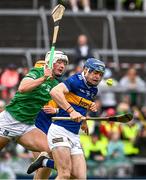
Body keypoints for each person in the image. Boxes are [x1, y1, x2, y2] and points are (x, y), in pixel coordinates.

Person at [27, 58, 106, 179]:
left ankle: (44, 162)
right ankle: (45, 162)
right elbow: (54, 91)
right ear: (86, 70)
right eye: (95, 73)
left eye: (100, 74)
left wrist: (83, 120)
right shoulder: (75, 80)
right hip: (60, 130)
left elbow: (79, 104)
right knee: (64, 174)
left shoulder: (93, 89)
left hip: (74, 135)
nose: (97, 77)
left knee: (79, 177)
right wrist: (71, 111)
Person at [0, 51, 68, 168]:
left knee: (53, 151)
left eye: (65, 63)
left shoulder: (56, 84)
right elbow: (22, 88)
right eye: (59, 62)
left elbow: (69, 103)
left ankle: (43, 162)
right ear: (50, 63)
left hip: (27, 127)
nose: (62, 66)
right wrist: (43, 78)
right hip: (8, 121)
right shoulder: (37, 72)